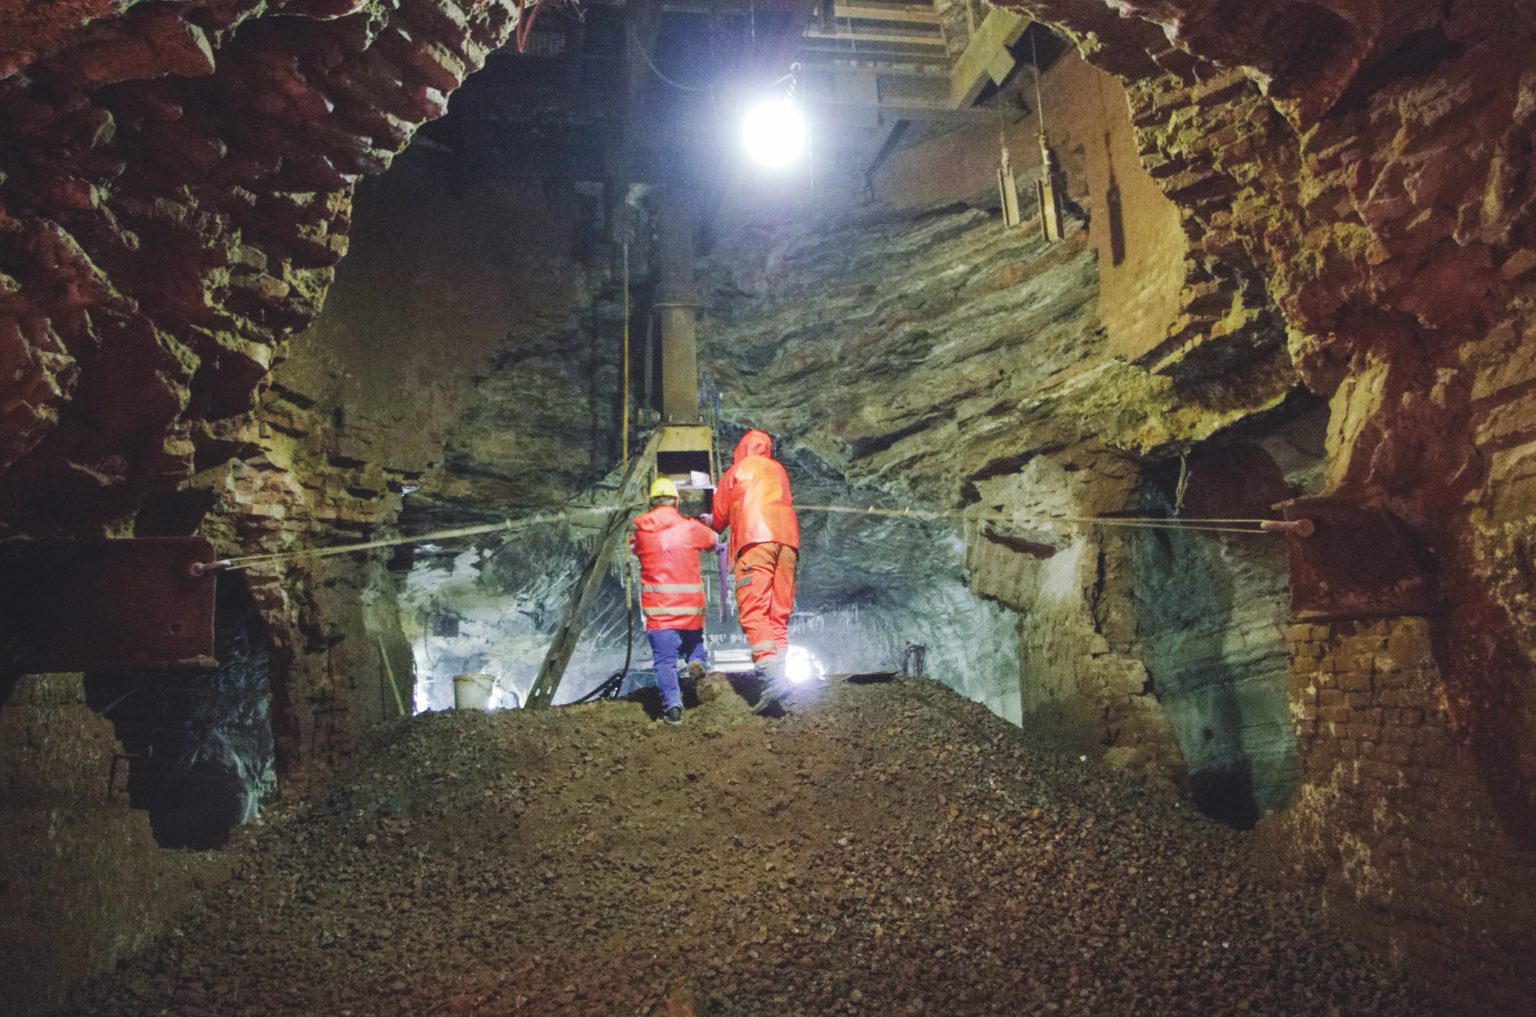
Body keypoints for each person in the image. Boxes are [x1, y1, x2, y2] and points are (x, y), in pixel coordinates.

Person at [706, 429, 799, 713]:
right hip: (788, 544)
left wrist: (708, 523)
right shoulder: (778, 470)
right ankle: (779, 676)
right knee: (777, 615)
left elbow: (719, 518)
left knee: (754, 611)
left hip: (754, 540)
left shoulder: (738, 470)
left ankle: (772, 679)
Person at [630, 476, 719, 726]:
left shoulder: (642, 531)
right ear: (676, 502)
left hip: (659, 611)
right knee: (694, 643)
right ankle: (697, 662)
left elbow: (635, 547)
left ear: (650, 503)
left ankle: (673, 709)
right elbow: (714, 541)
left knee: (664, 661)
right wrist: (704, 524)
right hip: (690, 606)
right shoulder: (690, 527)